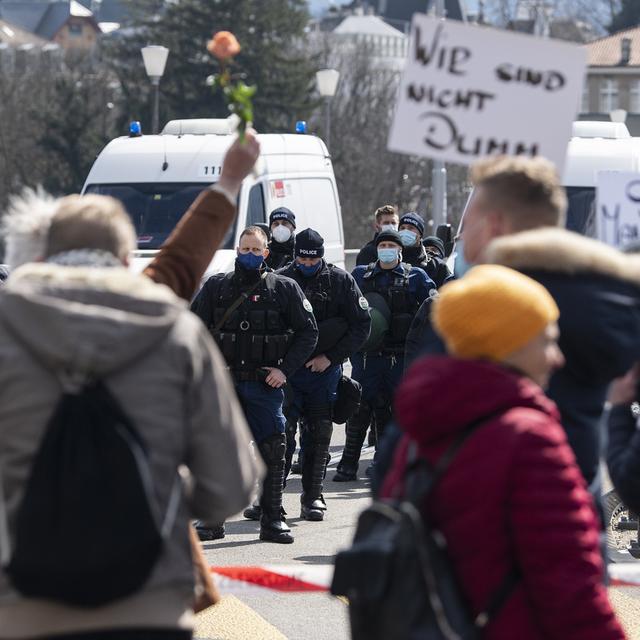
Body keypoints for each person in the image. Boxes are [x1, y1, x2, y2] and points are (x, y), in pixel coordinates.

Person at [0, 195, 261, 640]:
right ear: (125, 260)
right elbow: (230, 488)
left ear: (42, 257)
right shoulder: (177, 334)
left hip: (23, 605)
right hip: (150, 603)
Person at [382, 265, 625, 640]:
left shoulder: (423, 426)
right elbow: (569, 584)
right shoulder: (529, 437)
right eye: (546, 340)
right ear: (508, 344)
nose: (557, 357)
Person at [396, 155, 640, 514]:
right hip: (575, 521)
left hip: (477, 530)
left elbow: (405, 446)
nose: (462, 237)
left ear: (494, 225)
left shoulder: (471, 306)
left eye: (469, 224)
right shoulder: (617, 302)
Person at [191, 226, 318, 543]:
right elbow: (192, 328)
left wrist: (285, 370)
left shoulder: (283, 288)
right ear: (237, 250)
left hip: (264, 386)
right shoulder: (216, 288)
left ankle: (272, 518)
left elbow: (308, 332)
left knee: (273, 449)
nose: (250, 255)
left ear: (266, 252)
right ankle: (212, 519)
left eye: (256, 250)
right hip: (225, 385)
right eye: (244, 249)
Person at [276, 228, 371, 520]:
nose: (307, 265)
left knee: (318, 434)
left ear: (321, 256)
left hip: (323, 372)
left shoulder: (340, 281)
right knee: (280, 436)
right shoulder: (280, 280)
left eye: (312, 260)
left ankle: (313, 496)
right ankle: (271, 498)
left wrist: (330, 358)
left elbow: (361, 325)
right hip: (287, 373)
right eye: (302, 260)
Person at [334, 229, 434, 482]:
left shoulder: (416, 277)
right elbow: (346, 310)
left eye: (391, 245)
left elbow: (431, 312)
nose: (386, 249)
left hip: (398, 357)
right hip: (367, 356)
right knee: (359, 408)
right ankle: (348, 462)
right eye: (383, 245)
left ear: (400, 250)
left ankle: (385, 461)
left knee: (393, 410)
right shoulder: (361, 275)